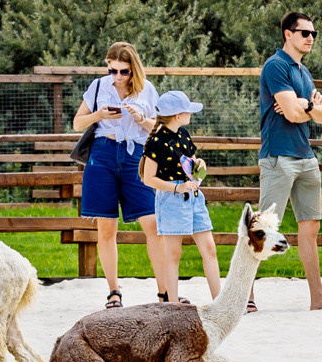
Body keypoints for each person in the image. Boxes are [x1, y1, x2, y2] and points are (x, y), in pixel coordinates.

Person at [260, 10, 322, 310]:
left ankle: (318, 297)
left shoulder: (304, 72)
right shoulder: (275, 66)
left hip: (306, 157)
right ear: (288, 34)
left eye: (313, 34)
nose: (310, 38)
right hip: (278, 157)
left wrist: (303, 105)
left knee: (310, 229)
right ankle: (246, 297)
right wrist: (308, 107)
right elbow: (296, 113)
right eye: (305, 33)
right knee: (263, 227)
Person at [74, 41, 159, 308]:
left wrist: (140, 118)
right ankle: (114, 290)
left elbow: (158, 128)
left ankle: (165, 290)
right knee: (107, 227)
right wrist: (98, 114)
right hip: (103, 153)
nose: (119, 77)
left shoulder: (147, 89)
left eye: (124, 71)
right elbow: (78, 123)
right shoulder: (99, 86)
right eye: (113, 71)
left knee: (152, 224)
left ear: (134, 69)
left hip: (136, 155)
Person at [142, 90, 223, 305]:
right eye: (188, 110)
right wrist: (176, 189)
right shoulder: (156, 142)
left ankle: (219, 301)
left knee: (209, 248)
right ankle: (173, 305)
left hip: (194, 195)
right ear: (178, 115)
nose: (190, 114)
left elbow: (192, 163)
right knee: (173, 253)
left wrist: (200, 165)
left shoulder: (184, 134)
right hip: (172, 199)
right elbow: (148, 179)